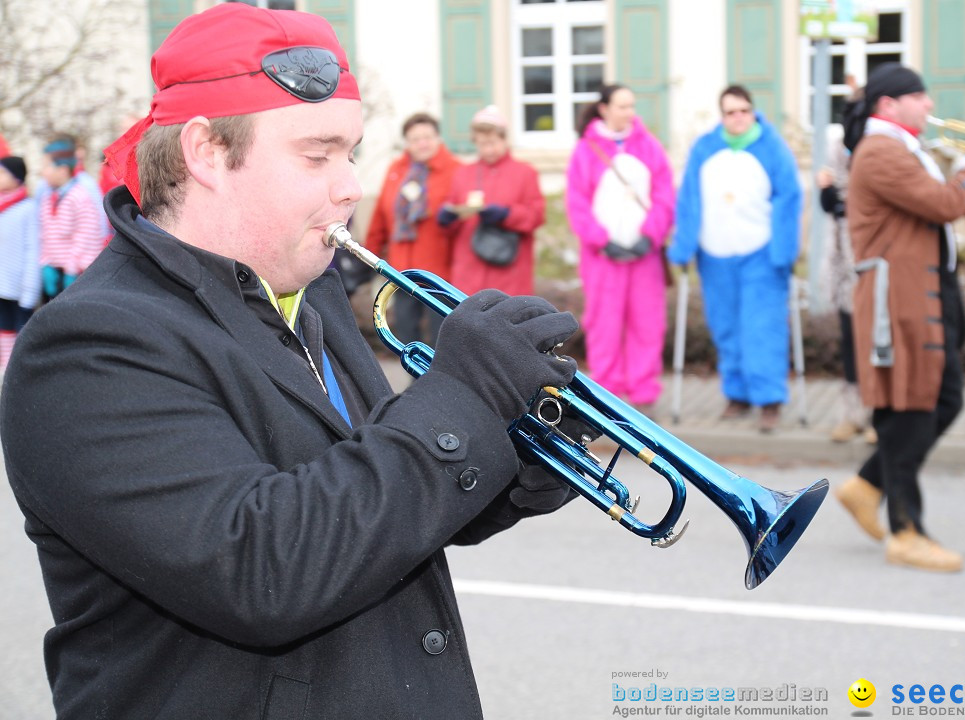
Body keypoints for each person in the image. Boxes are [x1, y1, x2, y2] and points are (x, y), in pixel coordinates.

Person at [0, 5, 580, 718]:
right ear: (206, 152)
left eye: (352, 152)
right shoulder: (89, 346)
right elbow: (264, 571)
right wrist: (462, 396)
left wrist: (513, 461)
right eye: (318, 154)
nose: (351, 185)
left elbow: (367, 499)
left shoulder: (310, 290)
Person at [834, 63, 965, 572]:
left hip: (921, 293)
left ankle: (868, 485)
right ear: (890, 104)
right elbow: (943, 202)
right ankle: (906, 531)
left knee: (942, 399)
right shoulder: (881, 150)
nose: (930, 105)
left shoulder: (901, 146)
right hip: (899, 298)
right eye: (920, 97)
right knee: (910, 406)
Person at [668, 85, 802, 433]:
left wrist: (785, 250)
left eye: (744, 110)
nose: (738, 118)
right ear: (722, 115)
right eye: (730, 112)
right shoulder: (705, 148)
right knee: (726, 327)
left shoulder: (772, 147)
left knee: (762, 327)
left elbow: (789, 199)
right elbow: (689, 199)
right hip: (714, 255)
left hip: (761, 253)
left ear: (753, 111)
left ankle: (769, 399)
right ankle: (737, 394)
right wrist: (683, 246)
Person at [566, 83, 674, 414]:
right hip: (602, 259)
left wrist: (650, 234)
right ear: (604, 109)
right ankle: (607, 395)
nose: (630, 112)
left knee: (647, 321)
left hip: (644, 257)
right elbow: (577, 203)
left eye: (632, 106)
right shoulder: (586, 151)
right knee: (604, 322)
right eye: (623, 106)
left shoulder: (649, 147)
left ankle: (643, 394)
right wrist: (602, 241)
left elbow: (665, 194)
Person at [365, 112, 459, 347]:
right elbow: (381, 214)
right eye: (415, 138)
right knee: (406, 332)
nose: (422, 143)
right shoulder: (397, 170)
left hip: (441, 271)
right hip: (403, 269)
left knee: (443, 335)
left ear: (438, 138)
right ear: (407, 142)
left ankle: (442, 382)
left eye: (427, 136)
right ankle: (414, 378)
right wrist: (371, 252)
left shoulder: (456, 170)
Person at [438, 105, 545, 296]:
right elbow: (450, 225)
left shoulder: (525, 173)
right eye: (482, 144)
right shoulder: (463, 174)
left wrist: (506, 215)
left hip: (509, 271)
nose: (488, 149)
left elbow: (536, 216)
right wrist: (448, 218)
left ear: (504, 139)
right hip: (469, 271)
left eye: (493, 142)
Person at [818, 123, 876, 444]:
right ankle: (852, 414)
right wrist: (826, 191)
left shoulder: (880, 149)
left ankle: (877, 415)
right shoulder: (838, 151)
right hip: (844, 265)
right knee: (851, 342)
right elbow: (832, 209)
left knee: (876, 343)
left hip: (874, 264)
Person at [36, 136, 104, 302]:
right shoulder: (47, 197)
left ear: (63, 170)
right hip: (55, 270)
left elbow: (86, 234)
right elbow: (45, 234)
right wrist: (46, 262)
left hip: (76, 273)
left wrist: (72, 269)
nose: (42, 171)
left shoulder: (79, 196)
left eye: (46, 166)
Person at [0, 155, 39, 371]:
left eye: (3, 172)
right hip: (2, 283)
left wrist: (29, 288)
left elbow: (31, 248)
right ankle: (5, 370)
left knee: (21, 329)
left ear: (17, 177)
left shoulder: (27, 208)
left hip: (20, 285)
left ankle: (18, 371)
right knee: (3, 327)